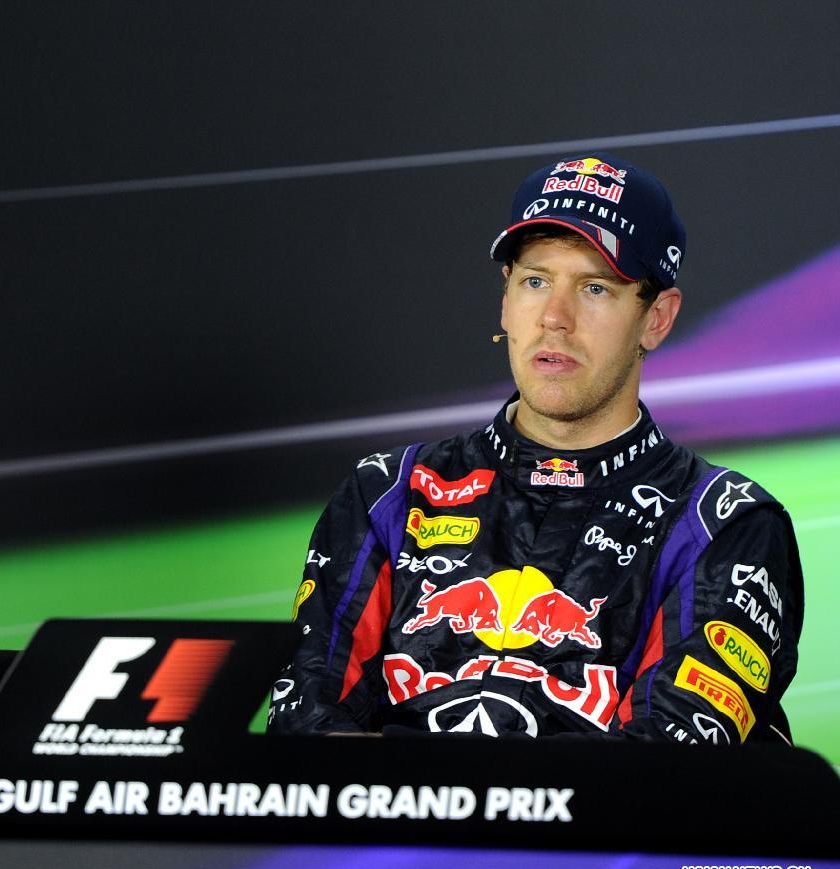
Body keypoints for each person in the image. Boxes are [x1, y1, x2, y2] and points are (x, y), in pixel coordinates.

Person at [267, 153, 803, 743]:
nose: (555, 318)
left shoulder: (725, 523)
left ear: (656, 318)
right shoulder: (388, 489)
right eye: (535, 281)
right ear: (505, 301)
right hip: (396, 837)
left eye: (595, 287)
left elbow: (667, 771)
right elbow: (304, 727)